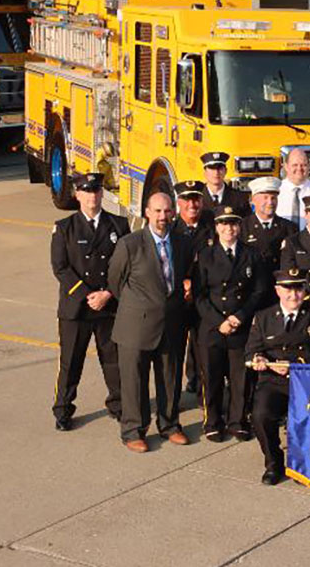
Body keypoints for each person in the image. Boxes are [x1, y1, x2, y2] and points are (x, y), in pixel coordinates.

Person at [107, 192, 195, 453]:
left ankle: (169, 425)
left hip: (170, 323)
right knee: (134, 380)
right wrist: (139, 305)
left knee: (169, 377)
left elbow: (183, 276)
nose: (162, 217)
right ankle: (133, 430)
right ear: (147, 212)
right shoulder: (129, 244)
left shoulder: (182, 243)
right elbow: (115, 281)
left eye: (167, 211)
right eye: (157, 211)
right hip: (136, 325)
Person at [50, 173, 129, 431]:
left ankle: (118, 405)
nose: (92, 196)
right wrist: (87, 294)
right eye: (87, 191)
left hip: (109, 306)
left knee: (114, 360)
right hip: (77, 308)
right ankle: (63, 410)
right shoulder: (64, 228)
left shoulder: (119, 225)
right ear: (77, 194)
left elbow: (124, 266)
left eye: (96, 191)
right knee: (71, 362)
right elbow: (61, 268)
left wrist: (107, 293)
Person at [246, 269, 310, 485]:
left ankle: (301, 465)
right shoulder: (263, 316)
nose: (293, 295)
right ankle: (273, 463)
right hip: (273, 381)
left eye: (298, 289)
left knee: (306, 417)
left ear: (304, 291)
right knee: (260, 415)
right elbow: (251, 350)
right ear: (277, 290)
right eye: (287, 289)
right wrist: (258, 358)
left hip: (306, 380)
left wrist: (295, 365)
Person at [193, 206, 269, 442]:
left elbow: (259, 291)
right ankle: (213, 421)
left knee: (241, 379)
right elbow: (199, 295)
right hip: (213, 327)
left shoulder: (252, 254)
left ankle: (238, 421)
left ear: (239, 227)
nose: (229, 229)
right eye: (224, 224)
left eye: (233, 224)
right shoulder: (205, 256)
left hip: (241, 325)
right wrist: (220, 321)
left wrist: (239, 317)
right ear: (216, 227)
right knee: (212, 378)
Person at [172, 180, 211, 396]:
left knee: (200, 343)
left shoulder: (212, 227)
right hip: (178, 297)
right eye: (187, 199)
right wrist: (182, 283)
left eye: (196, 199)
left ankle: (196, 383)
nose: (192, 204)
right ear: (179, 202)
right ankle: (173, 392)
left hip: (202, 295)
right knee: (175, 348)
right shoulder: (170, 229)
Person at [243, 177, 296, 280]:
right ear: (253, 200)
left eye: (273, 198)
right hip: (252, 284)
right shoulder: (243, 227)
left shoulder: (289, 228)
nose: (270, 202)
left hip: (279, 286)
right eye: (265, 197)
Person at [200, 151, 250, 218]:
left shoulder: (240, 198)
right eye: (212, 168)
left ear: (225, 171)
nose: (216, 172)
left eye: (220, 168)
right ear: (205, 172)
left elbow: (247, 224)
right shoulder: (196, 198)